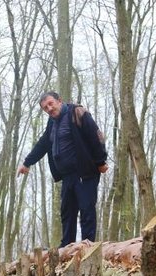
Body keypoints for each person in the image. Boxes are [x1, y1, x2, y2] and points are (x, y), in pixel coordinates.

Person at [18, 91, 109, 248]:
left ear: (59, 101)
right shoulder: (52, 123)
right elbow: (43, 144)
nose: (49, 109)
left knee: (86, 209)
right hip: (67, 175)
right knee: (67, 211)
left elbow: (95, 136)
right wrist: (27, 163)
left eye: (51, 104)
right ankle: (67, 246)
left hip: (84, 172)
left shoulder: (77, 112)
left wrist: (101, 161)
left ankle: (87, 247)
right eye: (45, 108)